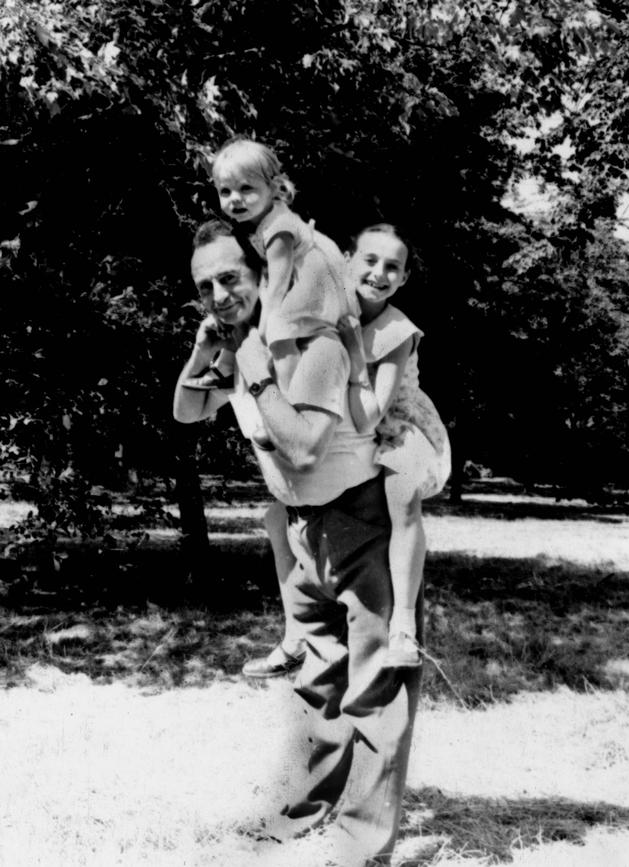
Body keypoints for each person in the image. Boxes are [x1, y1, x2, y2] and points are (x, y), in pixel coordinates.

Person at [173, 219, 422, 867]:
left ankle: (363, 840)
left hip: (362, 500)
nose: (222, 293)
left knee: (373, 676)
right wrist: (208, 356)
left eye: (234, 277)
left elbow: (327, 431)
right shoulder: (249, 340)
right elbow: (189, 410)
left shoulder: (318, 335)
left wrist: (254, 371)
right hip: (303, 516)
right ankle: (306, 807)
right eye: (208, 286)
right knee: (317, 671)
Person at [339, 223, 451, 667]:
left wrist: (349, 347)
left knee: (401, 497)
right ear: (348, 261)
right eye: (370, 261)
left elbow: (373, 411)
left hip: (396, 422)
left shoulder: (396, 329)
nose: (379, 274)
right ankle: (298, 626)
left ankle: (403, 626)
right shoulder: (331, 312)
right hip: (345, 421)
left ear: (404, 278)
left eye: (393, 267)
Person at [182, 138, 350, 422]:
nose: (235, 198)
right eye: (226, 191)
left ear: (274, 188)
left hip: (314, 292)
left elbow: (278, 286)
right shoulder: (257, 226)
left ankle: (294, 400)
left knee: (278, 332)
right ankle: (224, 370)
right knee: (249, 325)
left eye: (246, 188)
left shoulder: (278, 229)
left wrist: (263, 332)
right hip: (302, 290)